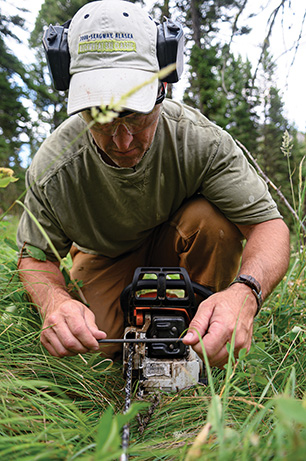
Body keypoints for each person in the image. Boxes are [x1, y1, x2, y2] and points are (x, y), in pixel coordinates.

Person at [17, 0, 290, 368]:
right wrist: (55, 301)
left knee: (214, 222)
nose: (123, 141)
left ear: (163, 89)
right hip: (104, 258)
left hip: (181, 241)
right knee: (92, 349)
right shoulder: (55, 168)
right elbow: (35, 257)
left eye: (136, 115)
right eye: (101, 118)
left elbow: (269, 228)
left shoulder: (199, 141)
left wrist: (245, 293)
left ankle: (200, 346)